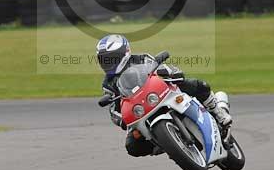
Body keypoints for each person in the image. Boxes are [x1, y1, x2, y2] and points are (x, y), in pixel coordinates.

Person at [96, 34, 232, 158]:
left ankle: (218, 112)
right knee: (132, 147)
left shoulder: (141, 59)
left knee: (198, 85)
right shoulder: (108, 83)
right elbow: (112, 108)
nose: (107, 62)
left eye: (110, 58)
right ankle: (165, 142)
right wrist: (121, 120)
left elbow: (161, 67)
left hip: (161, 93)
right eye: (103, 60)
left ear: (124, 53)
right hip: (139, 111)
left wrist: (173, 72)